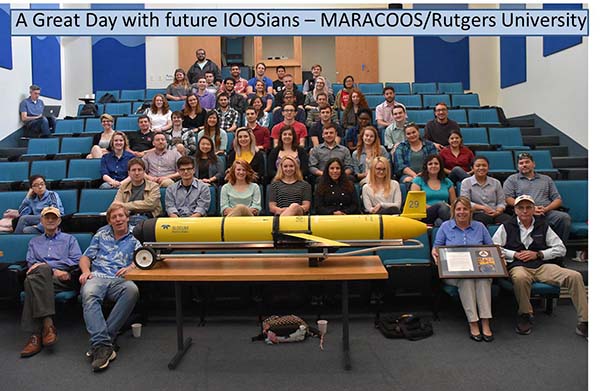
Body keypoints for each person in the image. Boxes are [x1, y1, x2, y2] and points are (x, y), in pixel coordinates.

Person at [492, 195, 587, 338]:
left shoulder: (543, 225)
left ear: (533, 209)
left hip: (542, 266)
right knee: (520, 277)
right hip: (519, 266)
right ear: (515, 210)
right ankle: (525, 314)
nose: (525, 211)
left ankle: (585, 321)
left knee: (574, 276)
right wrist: (514, 254)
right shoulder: (506, 226)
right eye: (521, 208)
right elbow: (494, 248)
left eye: (528, 207)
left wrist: (539, 254)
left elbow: (560, 249)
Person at [79, 202, 141, 372]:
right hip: (97, 276)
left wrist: (131, 267)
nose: (118, 219)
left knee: (132, 290)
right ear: (109, 221)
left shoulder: (135, 237)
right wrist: (85, 271)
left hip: (120, 279)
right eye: (114, 217)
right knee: (88, 292)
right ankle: (105, 345)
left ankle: (101, 343)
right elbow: (85, 257)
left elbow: (142, 259)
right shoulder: (100, 235)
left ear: (127, 218)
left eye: (121, 216)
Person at [20, 207, 82, 358]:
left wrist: (51, 269)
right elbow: (31, 263)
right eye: (46, 218)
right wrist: (49, 269)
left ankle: (35, 336)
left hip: (61, 279)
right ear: (41, 221)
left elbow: (76, 260)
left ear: (59, 220)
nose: (50, 220)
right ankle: (47, 325)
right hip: (45, 277)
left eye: (53, 218)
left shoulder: (69, 239)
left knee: (31, 282)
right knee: (35, 277)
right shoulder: (34, 242)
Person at [432, 197, 495, 342]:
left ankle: (485, 322)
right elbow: (436, 248)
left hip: (479, 271)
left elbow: (490, 248)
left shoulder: (480, 227)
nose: (462, 212)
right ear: (453, 211)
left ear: (470, 211)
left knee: (483, 280)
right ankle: (473, 322)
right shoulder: (445, 227)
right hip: (455, 273)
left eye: (465, 209)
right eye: (458, 209)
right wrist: (435, 255)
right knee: (466, 280)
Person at [503, 152, 571, 242]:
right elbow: (508, 199)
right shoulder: (512, 179)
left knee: (564, 218)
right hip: (524, 212)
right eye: (521, 163)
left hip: (545, 212)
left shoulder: (546, 179)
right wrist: (531, 209)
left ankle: (558, 249)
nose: (524, 165)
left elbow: (557, 199)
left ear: (533, 164)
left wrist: (546, 209)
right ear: (518, 166)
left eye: (527, 162)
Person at [460, 156, 511, 225]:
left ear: (488, 167)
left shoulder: (496, 182)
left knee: (510, 221)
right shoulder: (466, 182)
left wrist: (498, 211)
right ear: (472, 168)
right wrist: (483, 208)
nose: (481, 168)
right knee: (483, 219)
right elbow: (466, 203)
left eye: (484, 165)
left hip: (495, 212)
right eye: (478, 166)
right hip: (477, 213)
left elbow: (502, 202)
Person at [410, 154, 456, 225]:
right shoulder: (418, 181)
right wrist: (437, 207)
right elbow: (416, 203)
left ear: (440, 166)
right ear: (426, 167)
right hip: (425, 214)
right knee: (441, 206)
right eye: (430, 164)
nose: (433, 166)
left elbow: (454, 203)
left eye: (436, 164)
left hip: (444, 213)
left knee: (439, 222)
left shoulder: (447, 182)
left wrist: (447, 208)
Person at [114, 158, 162, 226]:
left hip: (148, 219)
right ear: (129, 173)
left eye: (139, 170)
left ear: (144, 172)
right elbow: (116, 205)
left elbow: (150, 205)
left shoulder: (153, 186)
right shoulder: (123, 187)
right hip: (127, 218)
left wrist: (124, 205)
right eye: (133, 170)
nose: (137, 173)